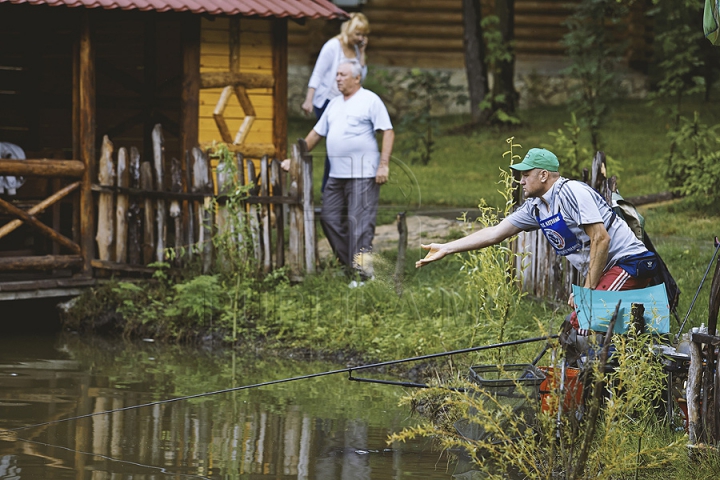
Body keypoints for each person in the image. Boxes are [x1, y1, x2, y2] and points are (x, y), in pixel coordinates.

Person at [416, 148, 658, 333]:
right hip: (609, 270)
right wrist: (447, 248)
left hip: (630, 262)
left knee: (585, 322)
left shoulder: (573, 192)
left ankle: (583, 391)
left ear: (543, 175)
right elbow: (494, 233)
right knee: (588, 327)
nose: (520, 181)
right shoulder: (536, 207)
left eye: (525, 175)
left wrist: (587, 289)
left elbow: (601, 239)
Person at [290, 61, 394, 283]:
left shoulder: (370, 100)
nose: (337, 78)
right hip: (336, 176)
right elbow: (315, 135)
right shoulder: (334, 104)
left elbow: (387, 131)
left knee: (360, 224)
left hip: (364, 174)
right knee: (329, 219)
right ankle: (354, 266)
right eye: (336, 74)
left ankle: (364, 276)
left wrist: (383, 164)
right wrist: (294, 159)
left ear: (357, 78)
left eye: (343, 74)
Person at [301, 13, 370, 192]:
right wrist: (309, 99)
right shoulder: (333, 46)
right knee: (335, 145)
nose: (361, 38)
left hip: (345, 103)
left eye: (364, 35)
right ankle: (329, 190)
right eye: (358, 34)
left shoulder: (356, 50)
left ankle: (339, 188)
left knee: (343, 146)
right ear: (349, 30)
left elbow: (360, 77)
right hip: (327, 102)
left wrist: (362, 53)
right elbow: (318, 73)